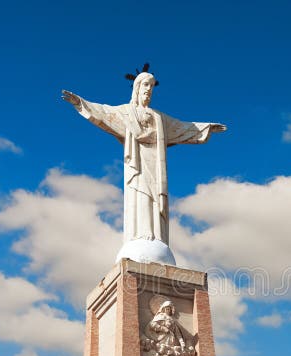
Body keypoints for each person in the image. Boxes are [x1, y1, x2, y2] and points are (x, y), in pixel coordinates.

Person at [62, 72, 226, 246]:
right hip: (137, 162)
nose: (149, 89)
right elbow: (103, 112)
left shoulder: (159, 118)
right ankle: (141, 234)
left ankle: (156, 235)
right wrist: (80, 103)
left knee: (155, 196)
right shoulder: (126, 112)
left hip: (155, 163)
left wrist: (206, 127)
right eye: (146, 85)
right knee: (140, 193)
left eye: (152, 86)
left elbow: (182, 127)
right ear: (137, 87)